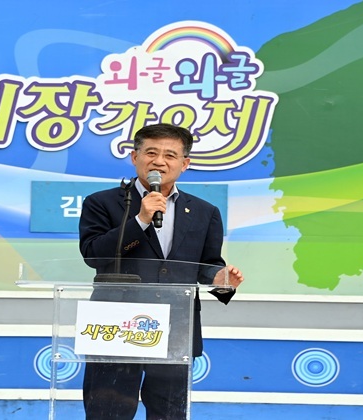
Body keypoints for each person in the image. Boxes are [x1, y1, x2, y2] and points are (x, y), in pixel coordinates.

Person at [78, 123, 244, 419]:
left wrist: (220, 281)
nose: (159, 161)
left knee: (168, 413)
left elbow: (206, 265)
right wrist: (140, 220)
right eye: (151, 153)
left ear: (185, 163)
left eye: (170, 155)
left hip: (175, 327)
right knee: (108, 412)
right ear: (135, 157)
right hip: (116, 324)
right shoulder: (101, 203)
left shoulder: (204, 212)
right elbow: (94, 255)